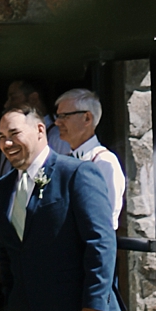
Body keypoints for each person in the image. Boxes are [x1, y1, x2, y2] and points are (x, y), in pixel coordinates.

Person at [0, 107, 119, 311]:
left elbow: (100, 242)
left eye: (14, 134)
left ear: (40, 130)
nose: (7, 143)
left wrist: (95, 305)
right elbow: (8, 250)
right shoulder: (2, 188)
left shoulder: (76, 173)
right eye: (2, 137)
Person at [54, 88, 126, 230]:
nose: (57, 122)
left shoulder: (104, 162)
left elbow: (107, 221)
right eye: (58, 116)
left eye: (64, 116)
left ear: (87, 118)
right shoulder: (63, 159)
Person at [4, 79, 63, 153]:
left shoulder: (57, 137)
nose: (6, 105)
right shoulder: (7, 141)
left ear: (33, 99)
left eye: (13, 98)